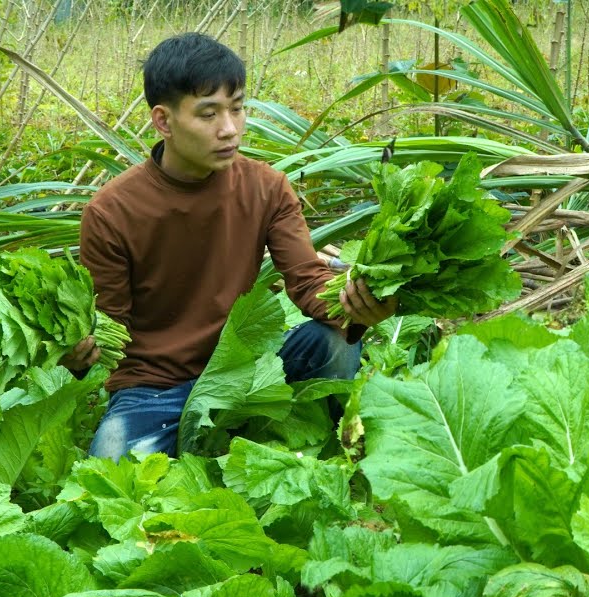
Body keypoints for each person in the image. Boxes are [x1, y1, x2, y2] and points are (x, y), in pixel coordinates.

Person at [63, 32, 396, 460]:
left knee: (332, 342)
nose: (230, 129)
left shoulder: (267, 187)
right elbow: (110, 323)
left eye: (237, 109)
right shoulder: (111, 211)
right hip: (156, 385)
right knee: (111, 460)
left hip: (247, 365)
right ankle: (233, 431)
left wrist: (359, 302)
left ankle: (330, 442)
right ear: (163, 121)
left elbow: (307, 280)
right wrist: (76, 353)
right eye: (209, 114)